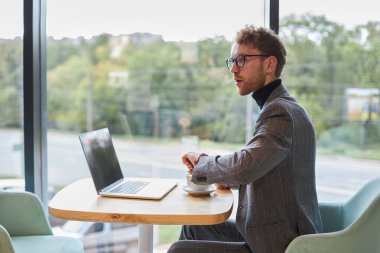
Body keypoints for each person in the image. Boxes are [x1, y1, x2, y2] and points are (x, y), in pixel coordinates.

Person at [167, 25, 323, 253]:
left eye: (242, 60)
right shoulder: (280, 106)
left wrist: (203, 164)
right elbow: (259, 164)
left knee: (178, 250)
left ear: (269, 64)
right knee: (193, 227)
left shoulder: (280, 112)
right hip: (274, 232)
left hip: (281, 244)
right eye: (232, 61)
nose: (233, 70)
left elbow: (245, 166)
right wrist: (224, 175)